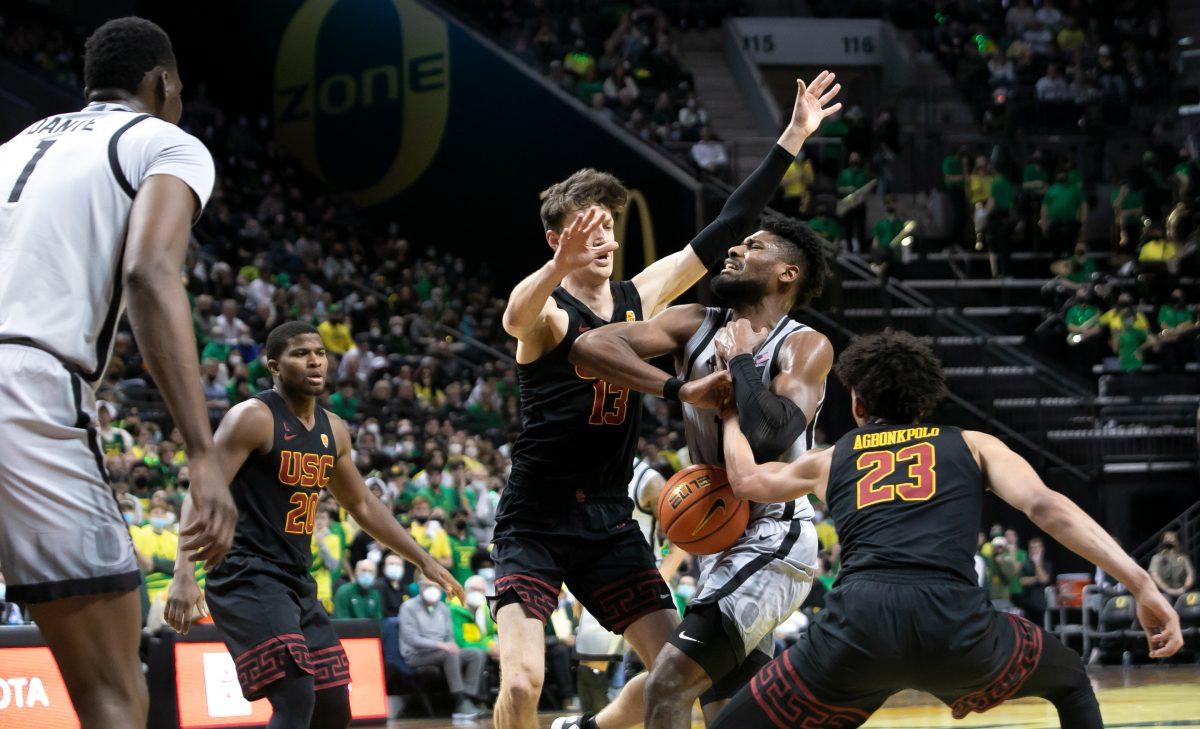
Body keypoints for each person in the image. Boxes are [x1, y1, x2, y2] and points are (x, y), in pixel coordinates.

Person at [497, 71, 842, 729]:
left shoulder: (642, 296)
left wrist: (792, 137)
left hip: (607, 515)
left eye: (607, 227)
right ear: (556, 241)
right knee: (522, 683)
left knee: (673, 680)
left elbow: (728, 225)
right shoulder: (547, 313)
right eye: (583, 230)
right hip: (536, 515)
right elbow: (516, 317)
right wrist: (553, 268)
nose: (600, 238)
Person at [706, 331, 1181, 729]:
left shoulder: (830, 460)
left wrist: (728, 413)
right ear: (924, 399)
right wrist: (1141, 583)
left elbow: (748, 481)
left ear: (857, 403)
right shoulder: (975, 445)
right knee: (1072, 678)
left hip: (859, 627)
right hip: (956, 627)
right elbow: (1046, 506)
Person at [0, 17, 237, 728]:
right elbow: (149, 269)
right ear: (161, 84)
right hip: (27, 392)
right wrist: (202, 453)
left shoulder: (12, 147)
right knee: (112, 688)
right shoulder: (163, 141)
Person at [570, 212, 832, 729]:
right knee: (724, 711)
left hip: (774, 532)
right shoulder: (694, 320)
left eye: (754, 246)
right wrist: (678, 388)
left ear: (787, 273)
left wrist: (739, 368)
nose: (734, 250)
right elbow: (591, 346)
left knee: (668, 683)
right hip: (721, 537)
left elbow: (775, 434)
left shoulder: (805, 344)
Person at [164, 322, 463, 729]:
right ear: (273, 365)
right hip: (245, 574)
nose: (314, 360)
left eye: (320, 352)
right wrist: (184, 574)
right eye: (300, 353)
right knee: (295, 694)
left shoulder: (334, 429)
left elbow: (360, 503)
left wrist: (422, 558)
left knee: (333, 707)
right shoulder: (253, 418)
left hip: (296, 580)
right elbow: (199, 493)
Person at [400, 576, 488, 720]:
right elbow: (412, 639)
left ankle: (469, 697)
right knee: (449, 654)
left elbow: (449, 636)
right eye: (427, 586)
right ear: (420, 587)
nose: (431, 590)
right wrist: (441, 645)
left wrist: (451, 645)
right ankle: (459, 702)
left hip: (442, 653)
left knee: (476, 654)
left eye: (435, 586)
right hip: (417, 655)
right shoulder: (408, 607)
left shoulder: (443, 608)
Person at [837, 151, 872, 251]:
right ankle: (849, 248)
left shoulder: (864, 173)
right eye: (852, 157)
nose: (854, 159)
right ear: (849, 160)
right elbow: (839, 188)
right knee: (848, 227)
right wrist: (848, 189)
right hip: (848, 204)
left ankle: (862, 248)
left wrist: (862, 198)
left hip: (860, 204)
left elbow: (868, 188)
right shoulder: (844, 173)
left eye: (856, 157)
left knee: (861, 227)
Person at [1149, 531, 1195, 599]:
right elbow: (1154, 575)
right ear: (1163, 542)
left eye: (1173, 538)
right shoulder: (1156, 558)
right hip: (1163, 593)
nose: (1170, 540)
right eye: (1167, 538)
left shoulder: (1184, 558)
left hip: (1181, 592)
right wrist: (1167, 589)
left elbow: (1190, 574)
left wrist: (1184, 588)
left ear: (1177, 542)